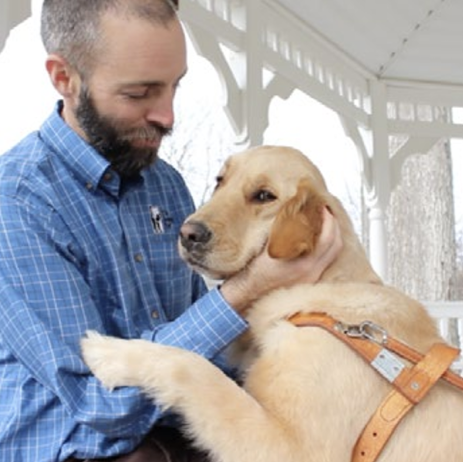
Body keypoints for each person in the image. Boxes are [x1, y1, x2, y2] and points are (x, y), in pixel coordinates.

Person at [0, 0, 342, 461]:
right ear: (65, 78)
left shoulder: (164, 184)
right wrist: (246, 291)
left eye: (174, 87)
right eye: (140, 94)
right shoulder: (17, 202)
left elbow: (205, 345)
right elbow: (103, 404)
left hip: (177, 433)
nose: (167, 116)